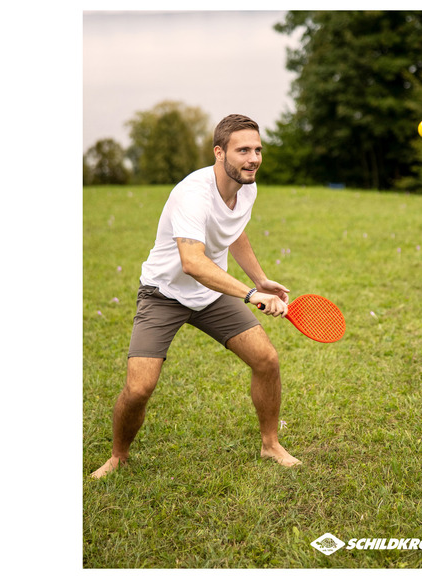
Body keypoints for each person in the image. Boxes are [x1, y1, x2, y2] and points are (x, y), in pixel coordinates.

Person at [90, 114, 300, 478]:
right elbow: (192, 262)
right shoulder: (193, 193)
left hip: (211, 295)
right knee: (140, 388)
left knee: (266, 359)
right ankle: (118, 455)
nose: (253, 158)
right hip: (164, 294)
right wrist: (251, 295)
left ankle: (270, 444)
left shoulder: (247, 188)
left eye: (257, 150)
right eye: (243, 150)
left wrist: (261, 279)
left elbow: (234, 232)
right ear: (219, 152)